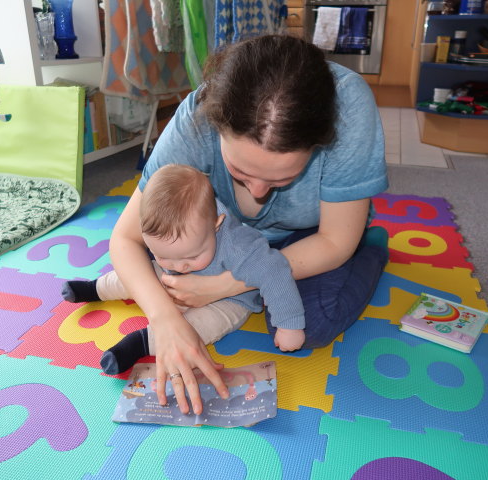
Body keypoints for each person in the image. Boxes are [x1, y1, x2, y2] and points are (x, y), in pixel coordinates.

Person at [102, 34, 389, 415]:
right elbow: (125, 237)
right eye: (239, 172)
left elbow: (334, 241)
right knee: (164, 264)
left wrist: (223, 286)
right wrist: (165, 320)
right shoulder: (197, 118)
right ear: (217, 128)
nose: (257, 193)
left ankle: (372, 245)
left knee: (312, 325)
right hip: (221, 233)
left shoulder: (349, 109)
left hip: (314, 235)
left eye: (282, 180)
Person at [62, 164, 306, 374]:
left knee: (200, 327)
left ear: (216, 225)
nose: (179, 266)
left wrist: (289, 324)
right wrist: (165, 265)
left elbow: (276, 273)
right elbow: (152, 264)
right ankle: (94, 288)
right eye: (164, 254)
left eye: (191, 256)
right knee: (142, 273)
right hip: (174, 284)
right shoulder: (173, 254)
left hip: (230, 301)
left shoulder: (241, 247)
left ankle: (140, 343)